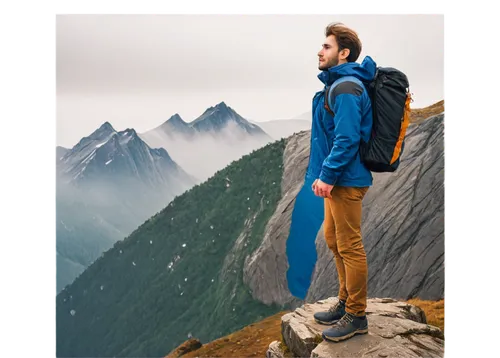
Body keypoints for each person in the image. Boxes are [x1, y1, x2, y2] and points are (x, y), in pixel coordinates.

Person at [309, 22, 376, 342]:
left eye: (326, 46)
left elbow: (347, 138)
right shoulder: (340, 84)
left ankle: (357, 316)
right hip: (340, 179)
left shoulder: (347, 87)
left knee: (349, 245)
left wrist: (327, 176)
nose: (320, 51)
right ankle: (345, 301)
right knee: (334, 239)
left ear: (343, 52)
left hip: (346, 180)